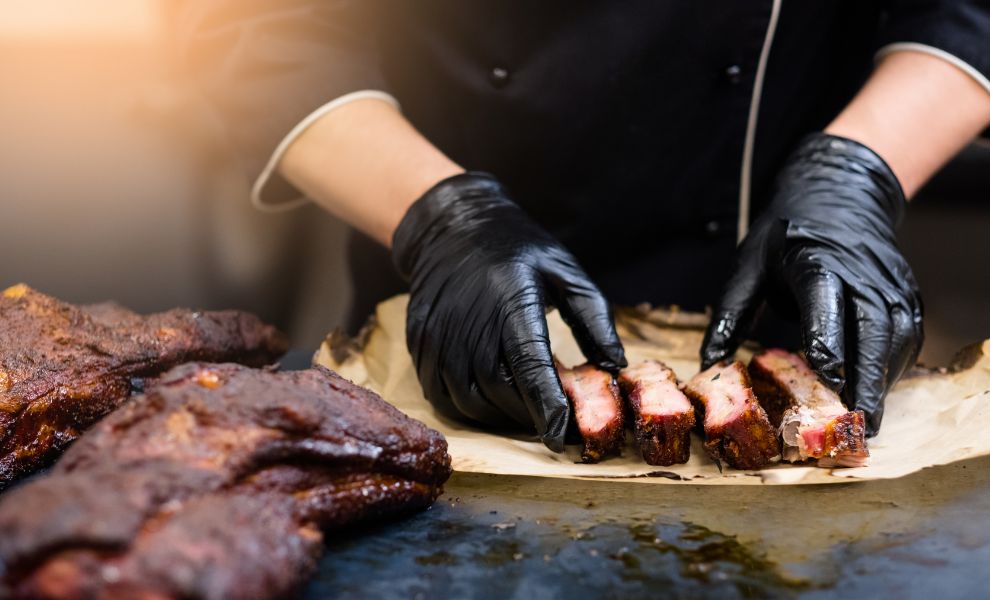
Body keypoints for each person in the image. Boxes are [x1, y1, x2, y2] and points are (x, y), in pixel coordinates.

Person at [180, 2, 990, 450]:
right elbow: (258, 28)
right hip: (454, 313)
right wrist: (441, 218)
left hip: (786, 280)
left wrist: (854, 172)